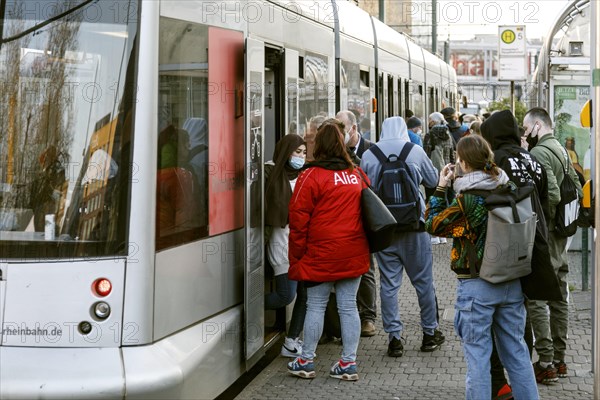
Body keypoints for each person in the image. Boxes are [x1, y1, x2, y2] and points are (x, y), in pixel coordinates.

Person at [425, 134, 540, 400]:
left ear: (463, 163)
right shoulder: (507, 186)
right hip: (511, 281)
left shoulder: (467, 200)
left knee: (478, 358)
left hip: (477, 285)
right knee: (517, 353)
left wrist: (442, 187)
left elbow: (433, 224)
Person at [481, 110, 556, 399]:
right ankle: (521, 374)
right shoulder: (533, 160)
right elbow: (546, 203)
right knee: (519, 311)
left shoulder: (496, 161)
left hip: (503, 246)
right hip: (532, 244)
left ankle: (499, 379)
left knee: (496, 316)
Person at [287, 119, 370, 381]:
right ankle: (348, 363)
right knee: (348, 307)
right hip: (353, 250)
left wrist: (297, 257)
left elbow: (298, 221)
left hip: (320, 253)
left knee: (316, 306)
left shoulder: (310, 176)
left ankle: (306, 360)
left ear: (319, 145)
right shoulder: (356, 174)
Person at [360, 116, 444, 358]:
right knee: (424, 282)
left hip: (385, 231)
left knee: (388, 285)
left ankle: (394, 338)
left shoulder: (370, 154)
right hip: (414, 229)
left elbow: (364, 190)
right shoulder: (414, 151)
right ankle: (429, 334)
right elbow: (433, 180)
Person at [523, 107, 583, 383]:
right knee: (559, 296)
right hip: (561, 235)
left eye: (526, 129)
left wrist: (541, 225)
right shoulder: (560, 147)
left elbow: (554, 194)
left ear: (536, 126)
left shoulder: (538, 153)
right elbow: (577, 189)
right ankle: (560, 359)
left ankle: (545, 360)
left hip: (546, 236)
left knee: (537, 296)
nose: (525, 134)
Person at [264, 134, 308, 358]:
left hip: (303, 243)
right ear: (285, 151)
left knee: (304, 295)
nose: (300, 156)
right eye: (296, 152)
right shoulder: (270, 171)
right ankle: (247, 308)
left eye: (303, 152)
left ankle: (291, 342)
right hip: (281, 242)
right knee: (285, 295)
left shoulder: (305, 175)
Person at [336, 110, 377, 337]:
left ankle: (368, 317)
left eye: (343, 128)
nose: (341, 133)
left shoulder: (370, 149)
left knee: (367, 269)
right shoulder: (335, 150)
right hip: (344, 222)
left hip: (363, 219)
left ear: (353, 128)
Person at [423, 112, 455, 245]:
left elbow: (425, 155)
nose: (429, 122)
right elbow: (452, 153)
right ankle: (443, 234)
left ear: (434, 122)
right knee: (444, 202)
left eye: (430, 120)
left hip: (433, 174)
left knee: (432, 201)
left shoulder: (429, 135)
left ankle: (434, 235)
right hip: (446, 173)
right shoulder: (448, 135)